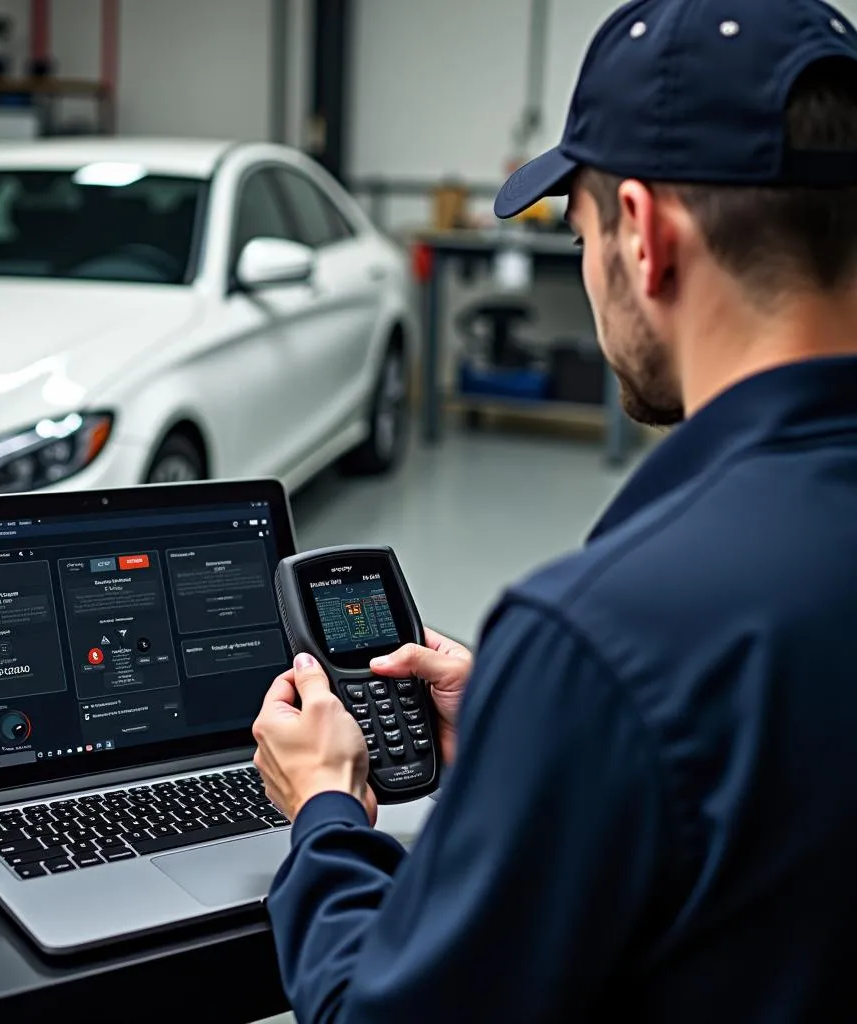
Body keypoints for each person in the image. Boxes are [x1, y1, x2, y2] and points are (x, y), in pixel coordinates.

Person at [252, 0, 857, 1018]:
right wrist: (532, 723)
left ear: (641, 232)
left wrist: (323, 813)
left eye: (578, 233)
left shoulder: (605, 631)